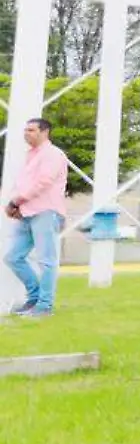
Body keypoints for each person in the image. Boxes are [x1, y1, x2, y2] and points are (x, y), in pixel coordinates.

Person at [4, 118, 69, 317]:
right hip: (26, 212)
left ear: (45, 132)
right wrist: (15, 204)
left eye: (31, 130)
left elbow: (43, 183)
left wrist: (17, 201)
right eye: (25, 130)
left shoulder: (53, 154)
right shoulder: (30, 155)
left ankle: (44, 306)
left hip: (46, 212)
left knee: (46, 261)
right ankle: (34, 298)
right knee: (13, 257)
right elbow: (23, 184)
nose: (27, 134)